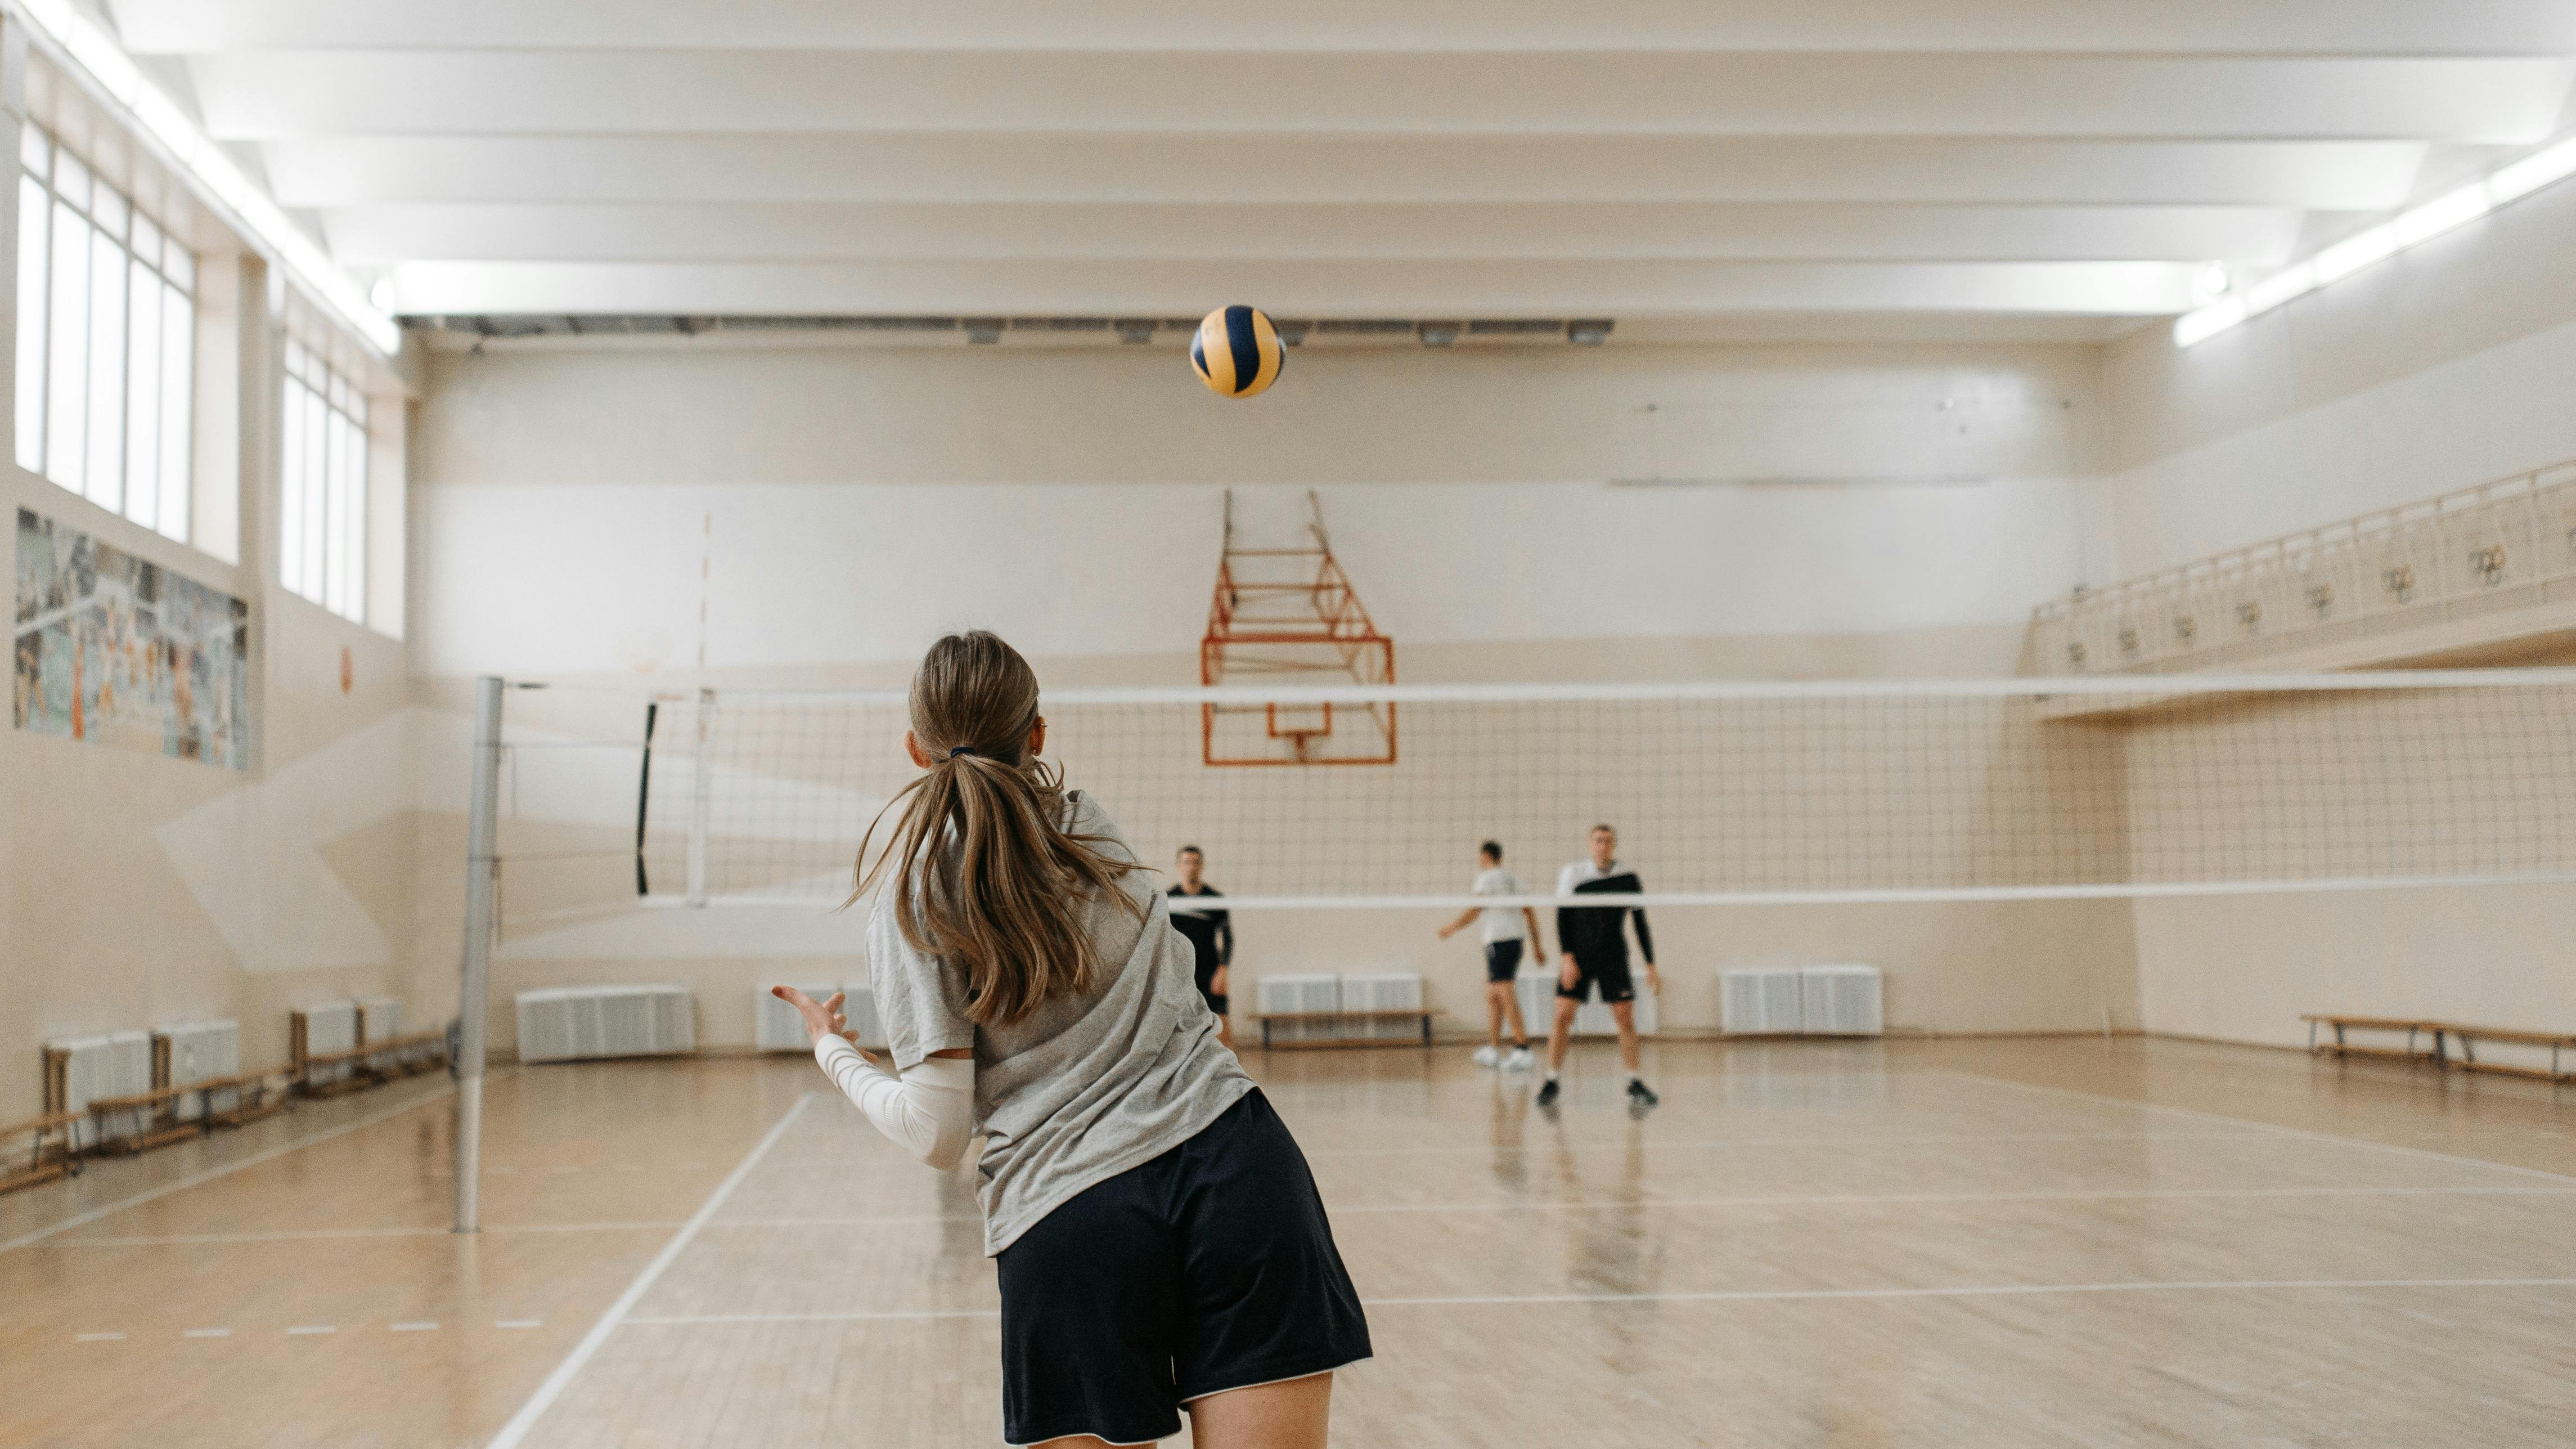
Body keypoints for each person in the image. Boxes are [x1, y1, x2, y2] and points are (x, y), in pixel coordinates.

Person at [772, 630, 1369, 1449]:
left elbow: (936, 1132)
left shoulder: (914, 893)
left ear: (914, 747)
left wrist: (832, 1050)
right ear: (1040, 735)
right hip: (1242, 1171)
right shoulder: (1091, 829)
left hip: (1072, 1209)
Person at [1536, 823, 1661, 1110]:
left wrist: (1651, 962)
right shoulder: (1573, 875)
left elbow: (1640, 922)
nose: (1602, 846)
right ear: (1590, 844)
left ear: (1614, 845)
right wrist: (1567, 957)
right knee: (1562, 1016)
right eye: (1597, 841)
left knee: (1625, 1018)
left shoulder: (1628, 877)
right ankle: (1551, 1080)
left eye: (1607, 841)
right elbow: (1562, 919)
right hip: (1579, 956)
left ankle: (1635, 1081)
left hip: (1614, 956)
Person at [1435, 840, 1539, 1070]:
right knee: (1493, 993)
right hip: (1513, 942)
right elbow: (1529, 911)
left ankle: (1523, 1048)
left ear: (1485, 857)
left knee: (1504, 991)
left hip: (1500, 942)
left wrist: (1452, 928)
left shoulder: (1487, 878)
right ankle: (1493, 1048)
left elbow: (1475, 909)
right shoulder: (1515, 880)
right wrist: (1537, 945)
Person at [1168, 845, 1235, 1048]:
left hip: (1210, 970)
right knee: (1177, 1024)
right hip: (1180, 971)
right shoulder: (1169, 899)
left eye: (1196, 862)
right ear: (1179, 866)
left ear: (1202, 866)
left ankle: (1231, 1069)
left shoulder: (1214, 899)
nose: (1191, 867)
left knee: (1221, 1020)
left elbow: (1228, 939)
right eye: (1187, 862)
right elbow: (1162, 938)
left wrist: (1222, 971)